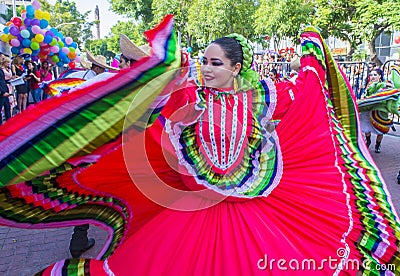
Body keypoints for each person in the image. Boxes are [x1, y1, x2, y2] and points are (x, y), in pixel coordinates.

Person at [0, 16, 399, 275]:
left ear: (236, 67)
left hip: (250, 204)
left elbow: (305, 94)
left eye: (216, 63)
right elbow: (151, 96)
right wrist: (146, 64)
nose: (207, 68)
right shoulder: (191, 96)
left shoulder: (264, 95)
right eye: (204, 61)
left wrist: (314, 54)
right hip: (196, 206)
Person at [360, 68, 387, 153]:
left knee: (381, 129)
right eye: (371, 75)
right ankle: (368, 141)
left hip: (380, 110)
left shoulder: (383, 85)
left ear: (379, 76)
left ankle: (377, 145)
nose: (372, 77)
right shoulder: (368, 86)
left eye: (375, 75)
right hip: (368, 110)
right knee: (365, 125)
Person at [0, 51, 10, 123]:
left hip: (5, 90)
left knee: (8, 108)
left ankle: (9, 124)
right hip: (1, 93)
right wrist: (2, 92)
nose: (2, 59)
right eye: (2, 57)